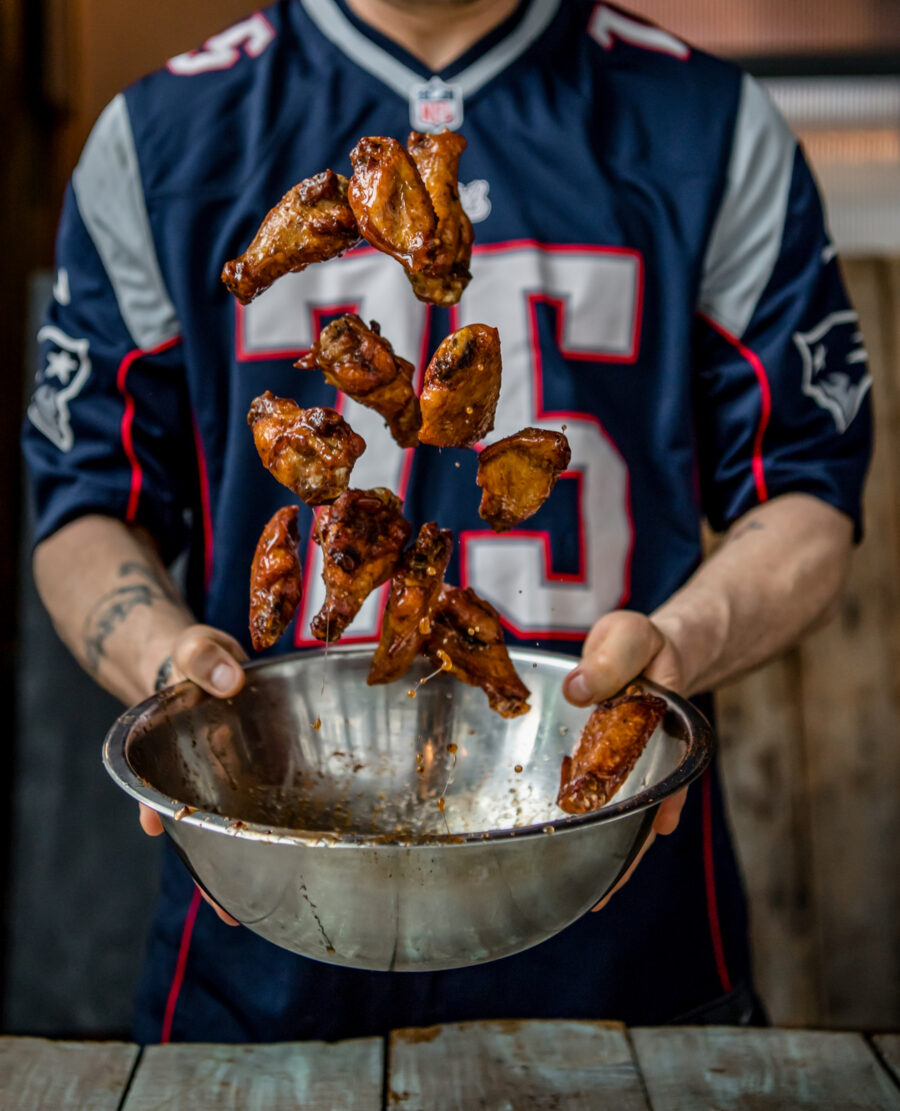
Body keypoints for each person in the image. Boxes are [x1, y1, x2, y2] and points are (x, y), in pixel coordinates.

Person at [23, 0, 871, 1043]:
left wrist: (680, 647)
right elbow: (85, 504)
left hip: (621, 934)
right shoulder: (160, 136)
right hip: (261, 942)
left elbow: (807, 490)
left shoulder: (707, 124)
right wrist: (163, 661)